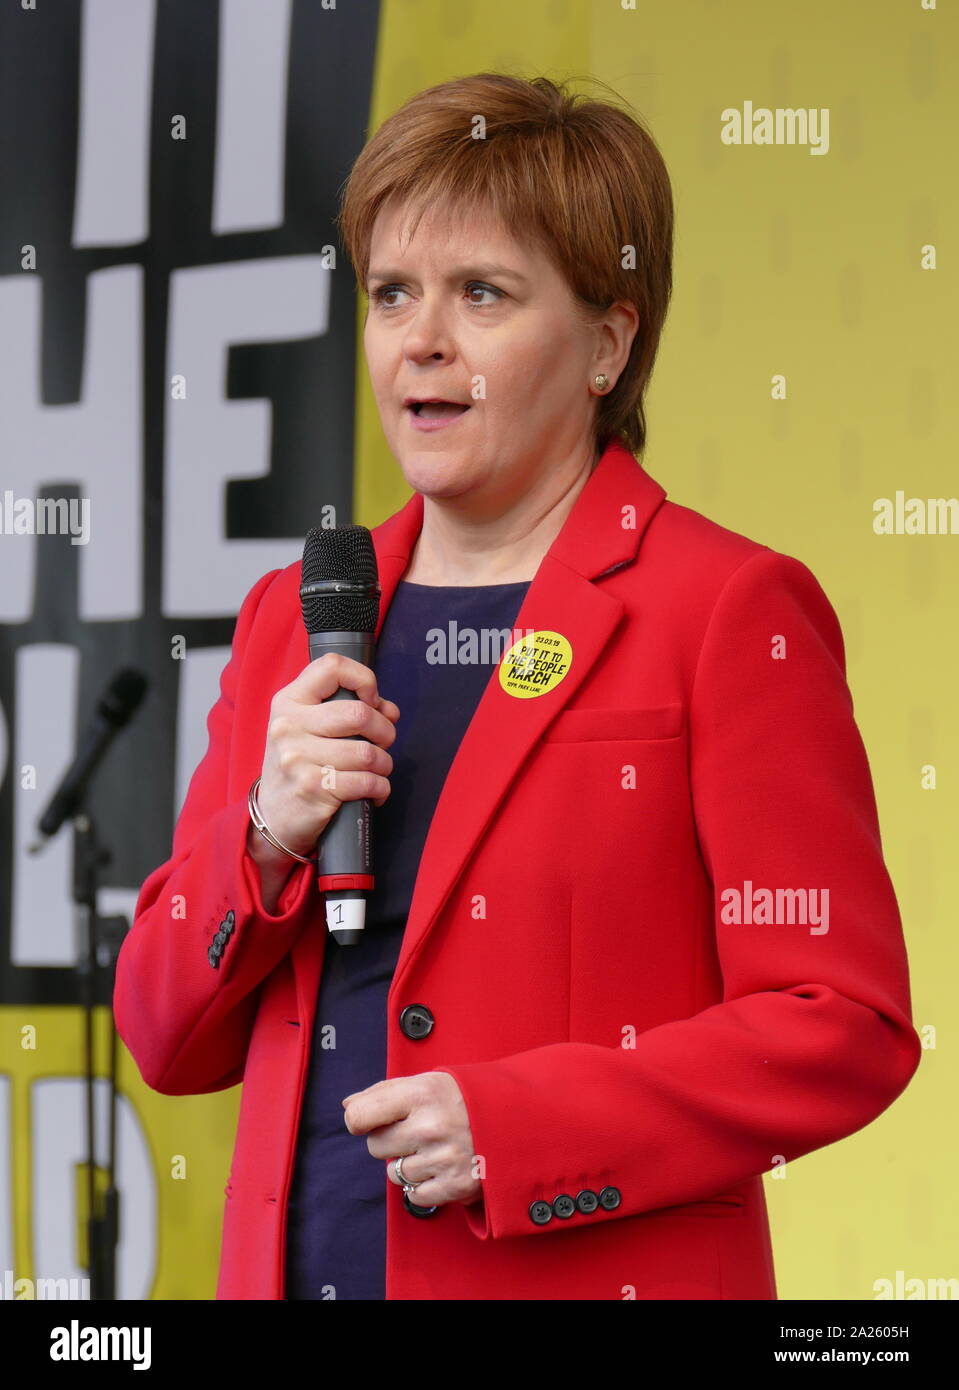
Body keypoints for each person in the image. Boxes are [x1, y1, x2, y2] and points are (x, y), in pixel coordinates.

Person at [114, 72, 921, 1301]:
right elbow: (165, 1036)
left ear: (607, 342)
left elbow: (838, 1023)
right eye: (391, 295)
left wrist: (520, 1125)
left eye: (479, 294)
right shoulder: (297, 615)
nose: (419, 341)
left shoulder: (723, 610)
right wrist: (266, 838)